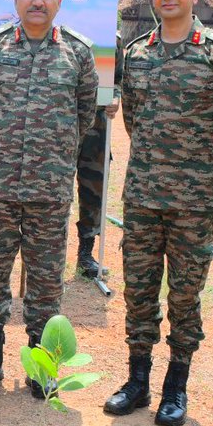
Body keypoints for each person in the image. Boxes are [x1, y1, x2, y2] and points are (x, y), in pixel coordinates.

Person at [105, 0, 213, 426]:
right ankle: (137, 381)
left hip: (194, 203)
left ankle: (176, 386)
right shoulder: (137, 53)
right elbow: (134, 121)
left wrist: (209, 175)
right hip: (144, 195)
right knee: (139, 291)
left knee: (185, 295)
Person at [0, 0, 97, 394]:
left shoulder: (77, 52)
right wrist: (2, 151)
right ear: (16, 1)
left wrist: (51, 155)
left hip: (50, 188)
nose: (37, 2)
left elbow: (84, 114)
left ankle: (41, 366)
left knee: (45, 281)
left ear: (59, 1)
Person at [74, 34, 122, 278]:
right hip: (57, 129)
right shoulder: (50, 33)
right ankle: (46, 255)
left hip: (96, 130)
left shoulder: (109, 38)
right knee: (50, 195)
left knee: (94, 193)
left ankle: (86, 253)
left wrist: (115, 97)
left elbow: (119, 80)